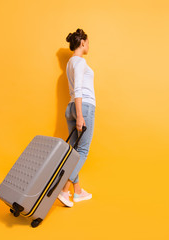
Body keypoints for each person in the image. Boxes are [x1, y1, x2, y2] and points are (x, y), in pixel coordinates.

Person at [58, 28, 96, 207]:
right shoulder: (80, 61)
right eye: (87, 42)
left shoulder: (69, 63)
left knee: (73, 152)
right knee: (82, 151)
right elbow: (79, 88)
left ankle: (78, 191)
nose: (88, 45)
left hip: (71, 106)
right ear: (82, 43)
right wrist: (80, 115)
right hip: (84, 106)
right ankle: (64, 191)